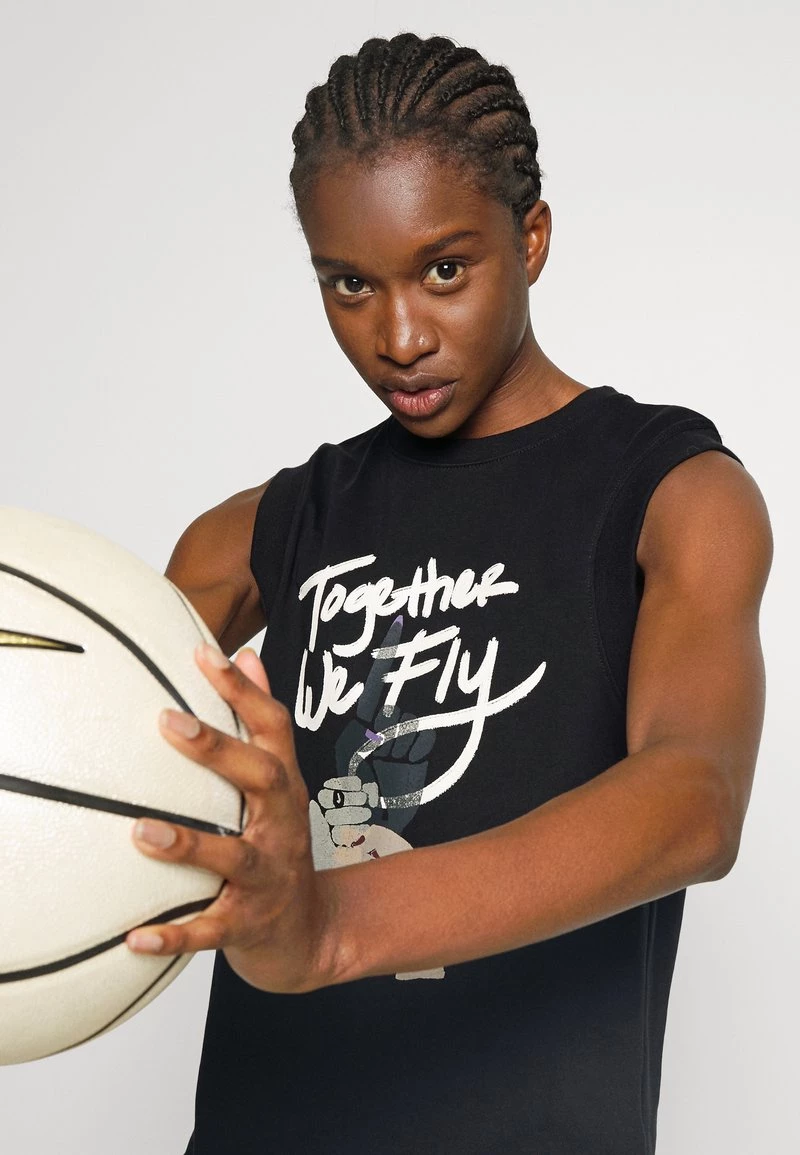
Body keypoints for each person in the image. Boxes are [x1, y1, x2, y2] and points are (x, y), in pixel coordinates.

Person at [125, 32, 772, 1154]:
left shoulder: (671, 491)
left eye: (443, 270)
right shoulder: (263, 530)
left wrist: (330, 922)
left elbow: (694, 800)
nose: (400, 336)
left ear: (531, 238)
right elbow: (83, 759)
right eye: (350, 285)